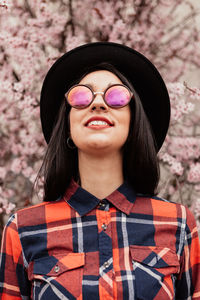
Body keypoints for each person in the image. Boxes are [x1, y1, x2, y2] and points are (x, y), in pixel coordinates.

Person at [0, 42, 200, 300]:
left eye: (116, 96)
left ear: (134, 121)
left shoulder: (178, 223)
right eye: (82, 96)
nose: (97, 103)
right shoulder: (24, 229)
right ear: (68, 124)